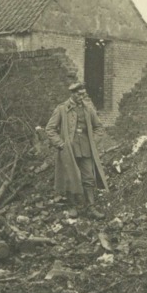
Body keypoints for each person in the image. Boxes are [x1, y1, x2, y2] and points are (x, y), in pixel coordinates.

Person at [45, 82, 108, 217]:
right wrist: (61, 144)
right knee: (71, 177)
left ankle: (91, 208)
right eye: (79, 94)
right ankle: (73, 207)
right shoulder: (62, 109)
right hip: (69, 149)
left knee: (89, 178)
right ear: (72, 94)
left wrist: (93, 142)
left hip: (85, 148)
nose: (82, 97)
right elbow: (50, 129)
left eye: (83, 94)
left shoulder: (88, 109)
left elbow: (99, 127)